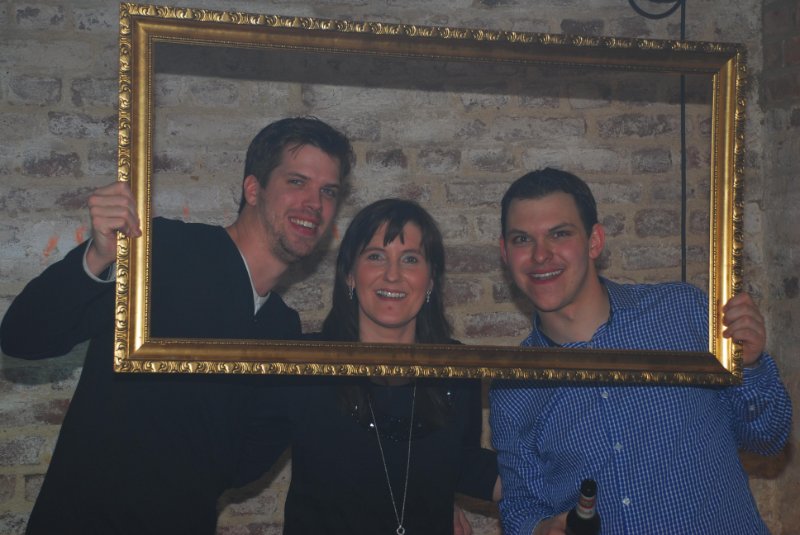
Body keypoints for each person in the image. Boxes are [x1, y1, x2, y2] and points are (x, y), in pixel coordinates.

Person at [0, 117, 354, 535]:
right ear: (253, 188)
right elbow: (23, 336)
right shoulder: (167, 250)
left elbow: (237, 466)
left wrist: (312, 389)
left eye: (328, 191)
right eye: (297, 182)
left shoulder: (281, 327)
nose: (314, 203)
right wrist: (98, 258)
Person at [489, 168, 792, 535]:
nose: (541, 255)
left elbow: (769, 438)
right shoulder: (514, 385)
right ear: (505, 253)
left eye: (560, 234)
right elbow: (519, 505)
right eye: (522, 239)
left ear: (594, 242)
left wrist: (752, 366)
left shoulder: (683, 314)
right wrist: (539, 528)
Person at [278, 199, 501, 534]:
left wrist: (551, 487)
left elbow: (460, 463)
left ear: (430, 280)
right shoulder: (308, 365)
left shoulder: (456, 367)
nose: (393, 275)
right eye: (376, 257)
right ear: (350, 275)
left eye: (410, 259)